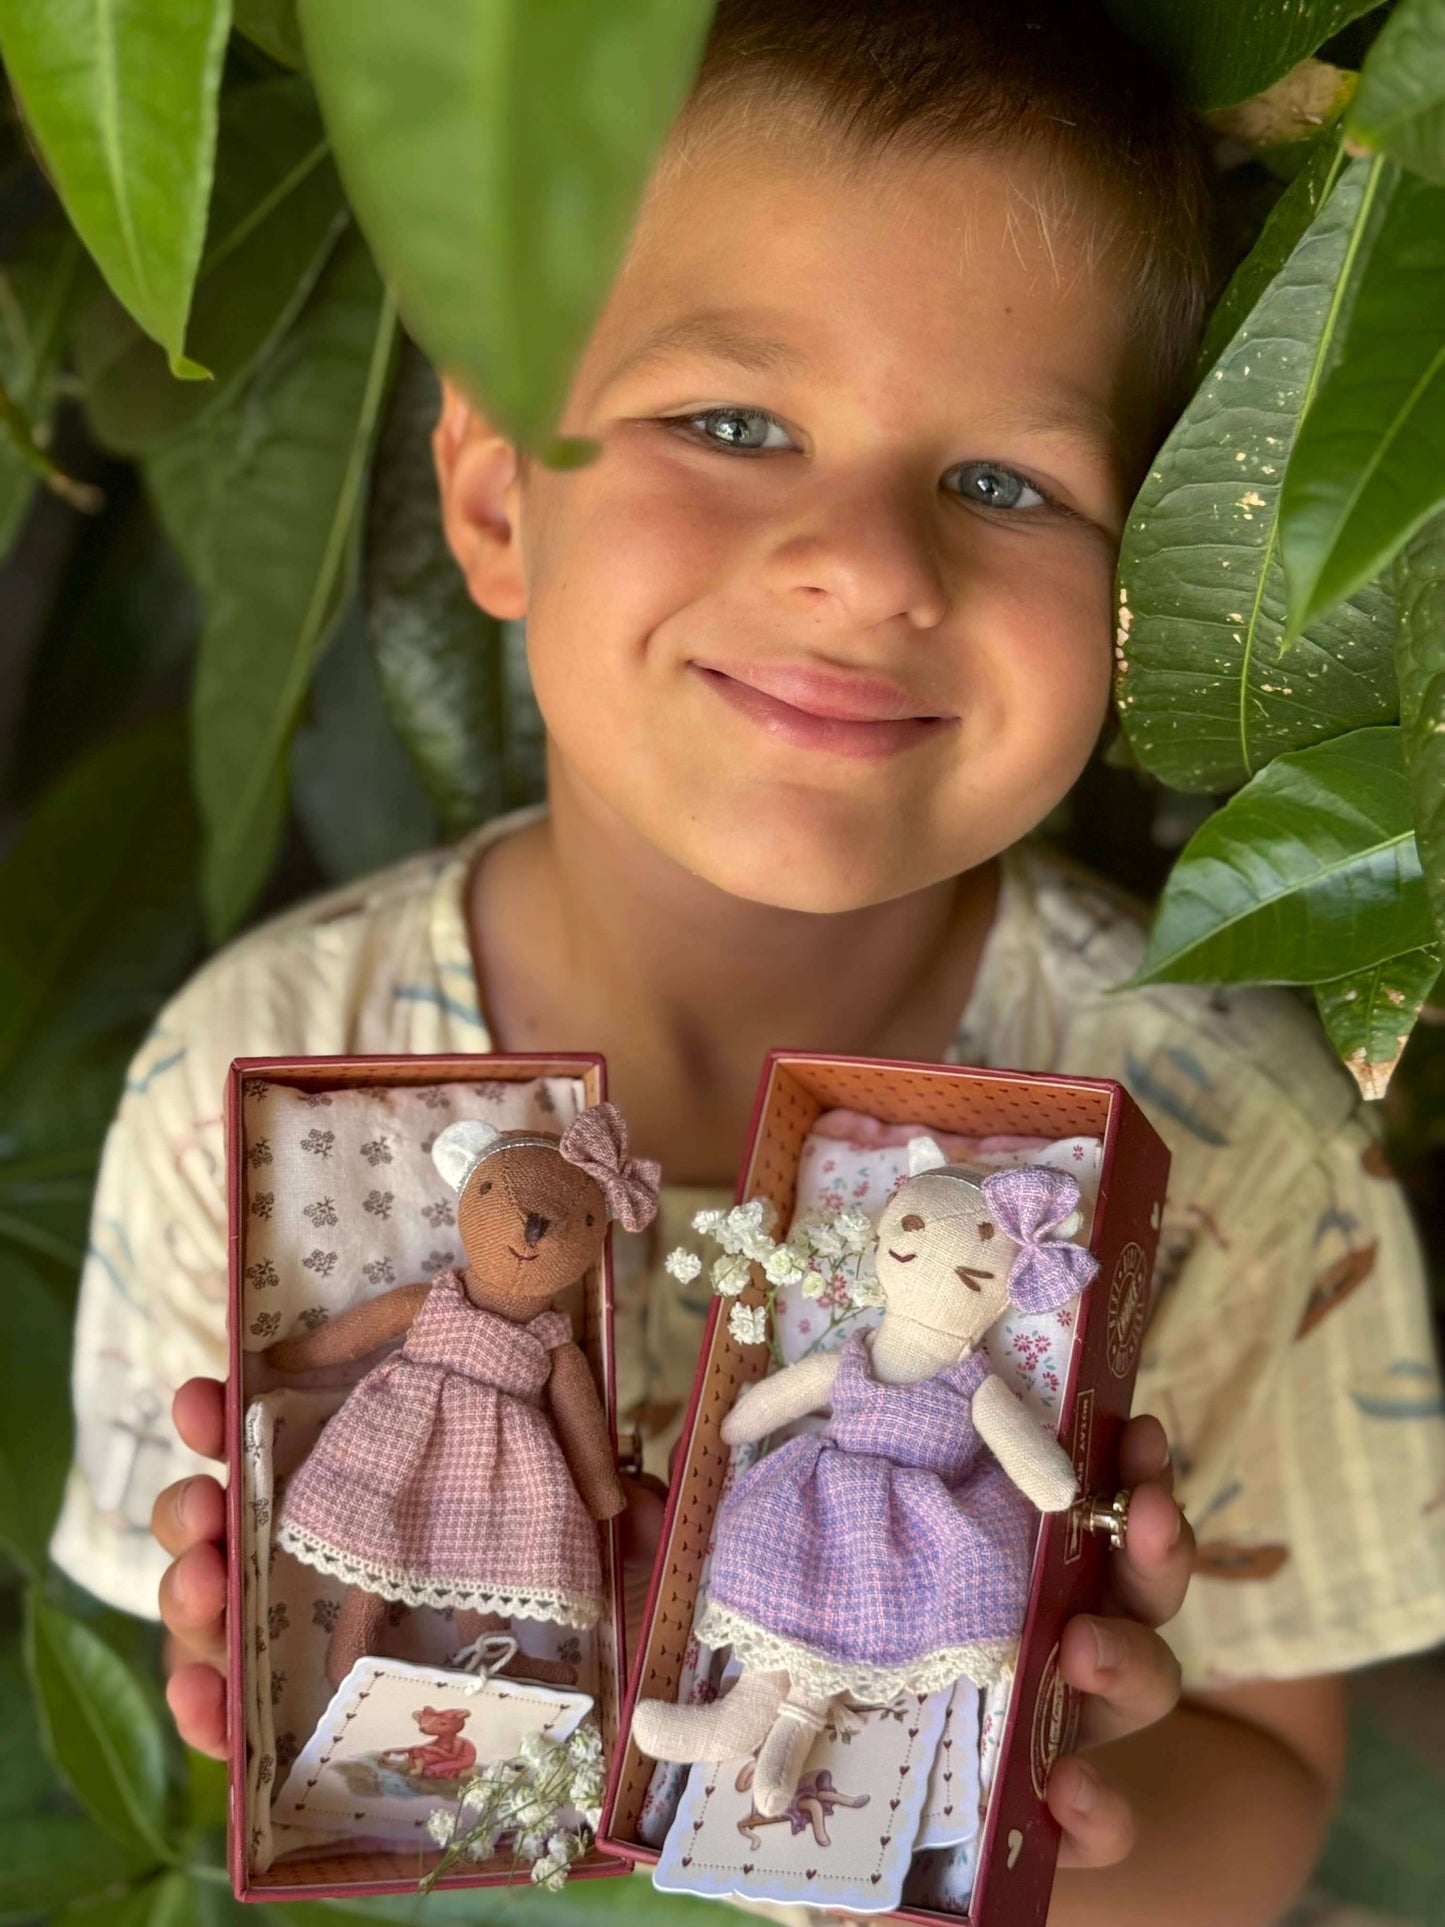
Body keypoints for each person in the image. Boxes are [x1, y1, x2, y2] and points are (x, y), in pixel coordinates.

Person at [50, 2, 1445, 1919]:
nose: (865, 564)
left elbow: (1270, 1785)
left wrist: (1065, 1825)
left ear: (1148, 595)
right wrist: (284, 1725)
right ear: (490, 491)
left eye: (1005, 483)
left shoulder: (1241, 1144)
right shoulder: (255, 1079)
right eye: (731, 422)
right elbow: (271, 1733)